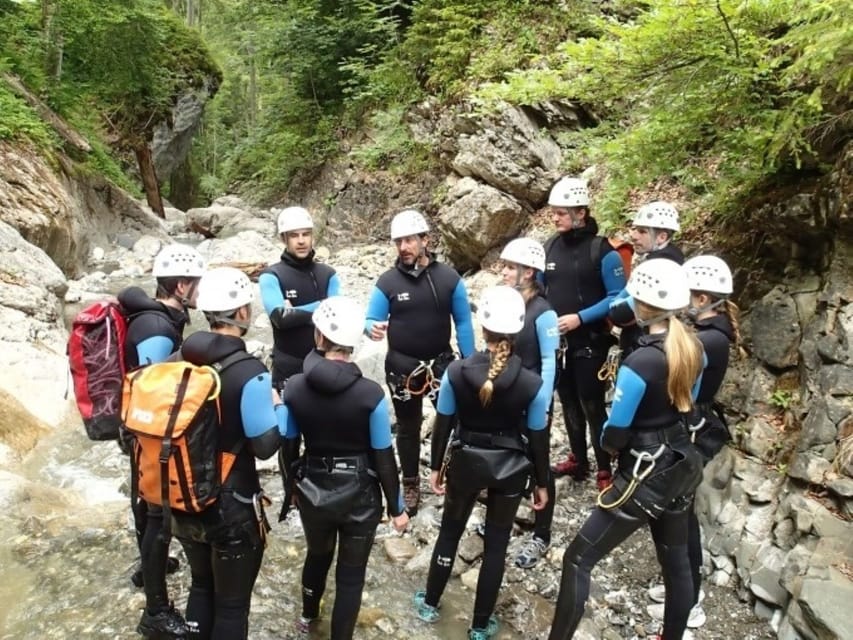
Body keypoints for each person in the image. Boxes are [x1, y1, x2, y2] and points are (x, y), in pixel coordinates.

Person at [547, 259, 705, 640]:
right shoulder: (693, 348)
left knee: (578, 560)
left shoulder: (640, 362)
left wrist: (608, 446)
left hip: (643, 473)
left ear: (639, 306)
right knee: (677, 565)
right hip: (681, 465)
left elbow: (614, 431)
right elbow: (689, 405)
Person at [414, 286, 550, 640]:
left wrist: (433, 469)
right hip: (510, 467)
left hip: (465, 463)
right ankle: (478, 625)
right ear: (518, 329)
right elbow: (538, 439)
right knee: (497, 545)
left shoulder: (457, 372)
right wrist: (541, 483)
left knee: (450, 532)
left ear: (482, 326)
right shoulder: (533, 384)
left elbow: (443, 423)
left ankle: (429, 604)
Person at [279, 296, 409, 639]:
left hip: (313, 488)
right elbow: (384, 456)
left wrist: (290, 489)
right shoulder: (371, 395)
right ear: (353, 342)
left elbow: (289, 447)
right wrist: (397, 508)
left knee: (317, 555)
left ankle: (308, 618)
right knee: (351, 576)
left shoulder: (294, 387)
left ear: (319, 338)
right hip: (360, 495)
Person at [171, 267, 282, 639]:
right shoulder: (250, 372)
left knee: (201, 586)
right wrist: (279, 406)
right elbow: (265, 446)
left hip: (183, 495)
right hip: (230, 505)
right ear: (242, 313)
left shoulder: (177, 358)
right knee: (232, 607)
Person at [646, 255, 739, 630]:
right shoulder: (712, 332)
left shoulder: (710, 341)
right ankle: (681, 589)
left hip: (691, 430)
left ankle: (689, 600)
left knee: (682, 516)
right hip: (691, 426)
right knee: (679, 513)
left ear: (701, 299)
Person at [118, 243, 205, 638]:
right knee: (158, 515)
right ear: (182, 285)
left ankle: (146, 568)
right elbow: (153, 387)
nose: (199, 291)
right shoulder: (155, 326)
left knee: (146, 504)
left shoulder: (161, 316)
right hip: (148, 431)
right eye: (197, 284)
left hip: (137, 427)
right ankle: (155, 610)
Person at [365, 209, 475, 514]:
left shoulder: (448, 278)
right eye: (398, 241)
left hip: (441, 362)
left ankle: (450, 470)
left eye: (409, 240)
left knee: (455, 418)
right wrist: (370, 327)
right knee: (408, 426)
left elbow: (463, 321)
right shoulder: (388, 282)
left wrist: (470, 360)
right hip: (402, 365)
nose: (403, 247)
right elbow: (372, 316)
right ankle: (411, 483)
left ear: (425, 240)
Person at [542, 177, 627, 491]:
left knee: (591, 403)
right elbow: (537, 287)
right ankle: (578, 458)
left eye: (561, 212)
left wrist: (580, 318)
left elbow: (618, 297)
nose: (555, 217)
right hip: (559, 342)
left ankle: (604, 467)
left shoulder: (602, 251)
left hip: (590, 341)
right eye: (554, 212)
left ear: (580, 211)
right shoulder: (549, 246)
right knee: (567, 401)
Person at [496, 239, 561, 569]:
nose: (504, 271)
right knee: (509, 454)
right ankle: (504, 519)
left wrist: (544, 401)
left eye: (510, 267)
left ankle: (542, 533)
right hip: (509, 392)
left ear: (529, 272)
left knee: (539, 462)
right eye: (504, 265)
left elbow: (550, 360)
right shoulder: (507, 301)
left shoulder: (544, 312)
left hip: (533, 394)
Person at [259, 206, 341, 390]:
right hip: (288, 367)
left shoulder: (328, 274)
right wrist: (322, 305)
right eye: (294, 235)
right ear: (284, 239)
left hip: (325, 363)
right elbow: (280, 318)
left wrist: (296, 311)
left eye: (306, 234)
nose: (301, 241)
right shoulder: (271, 275)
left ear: (313, 236)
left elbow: (338, 314)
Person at [609, 201, 685, 356]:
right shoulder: (671, 257)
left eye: (642, 231)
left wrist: (615, 303)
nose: (634, 236)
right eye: (635, 229)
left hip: (644, 344)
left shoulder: (660, 266)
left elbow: (621, 314)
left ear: (662, 237)